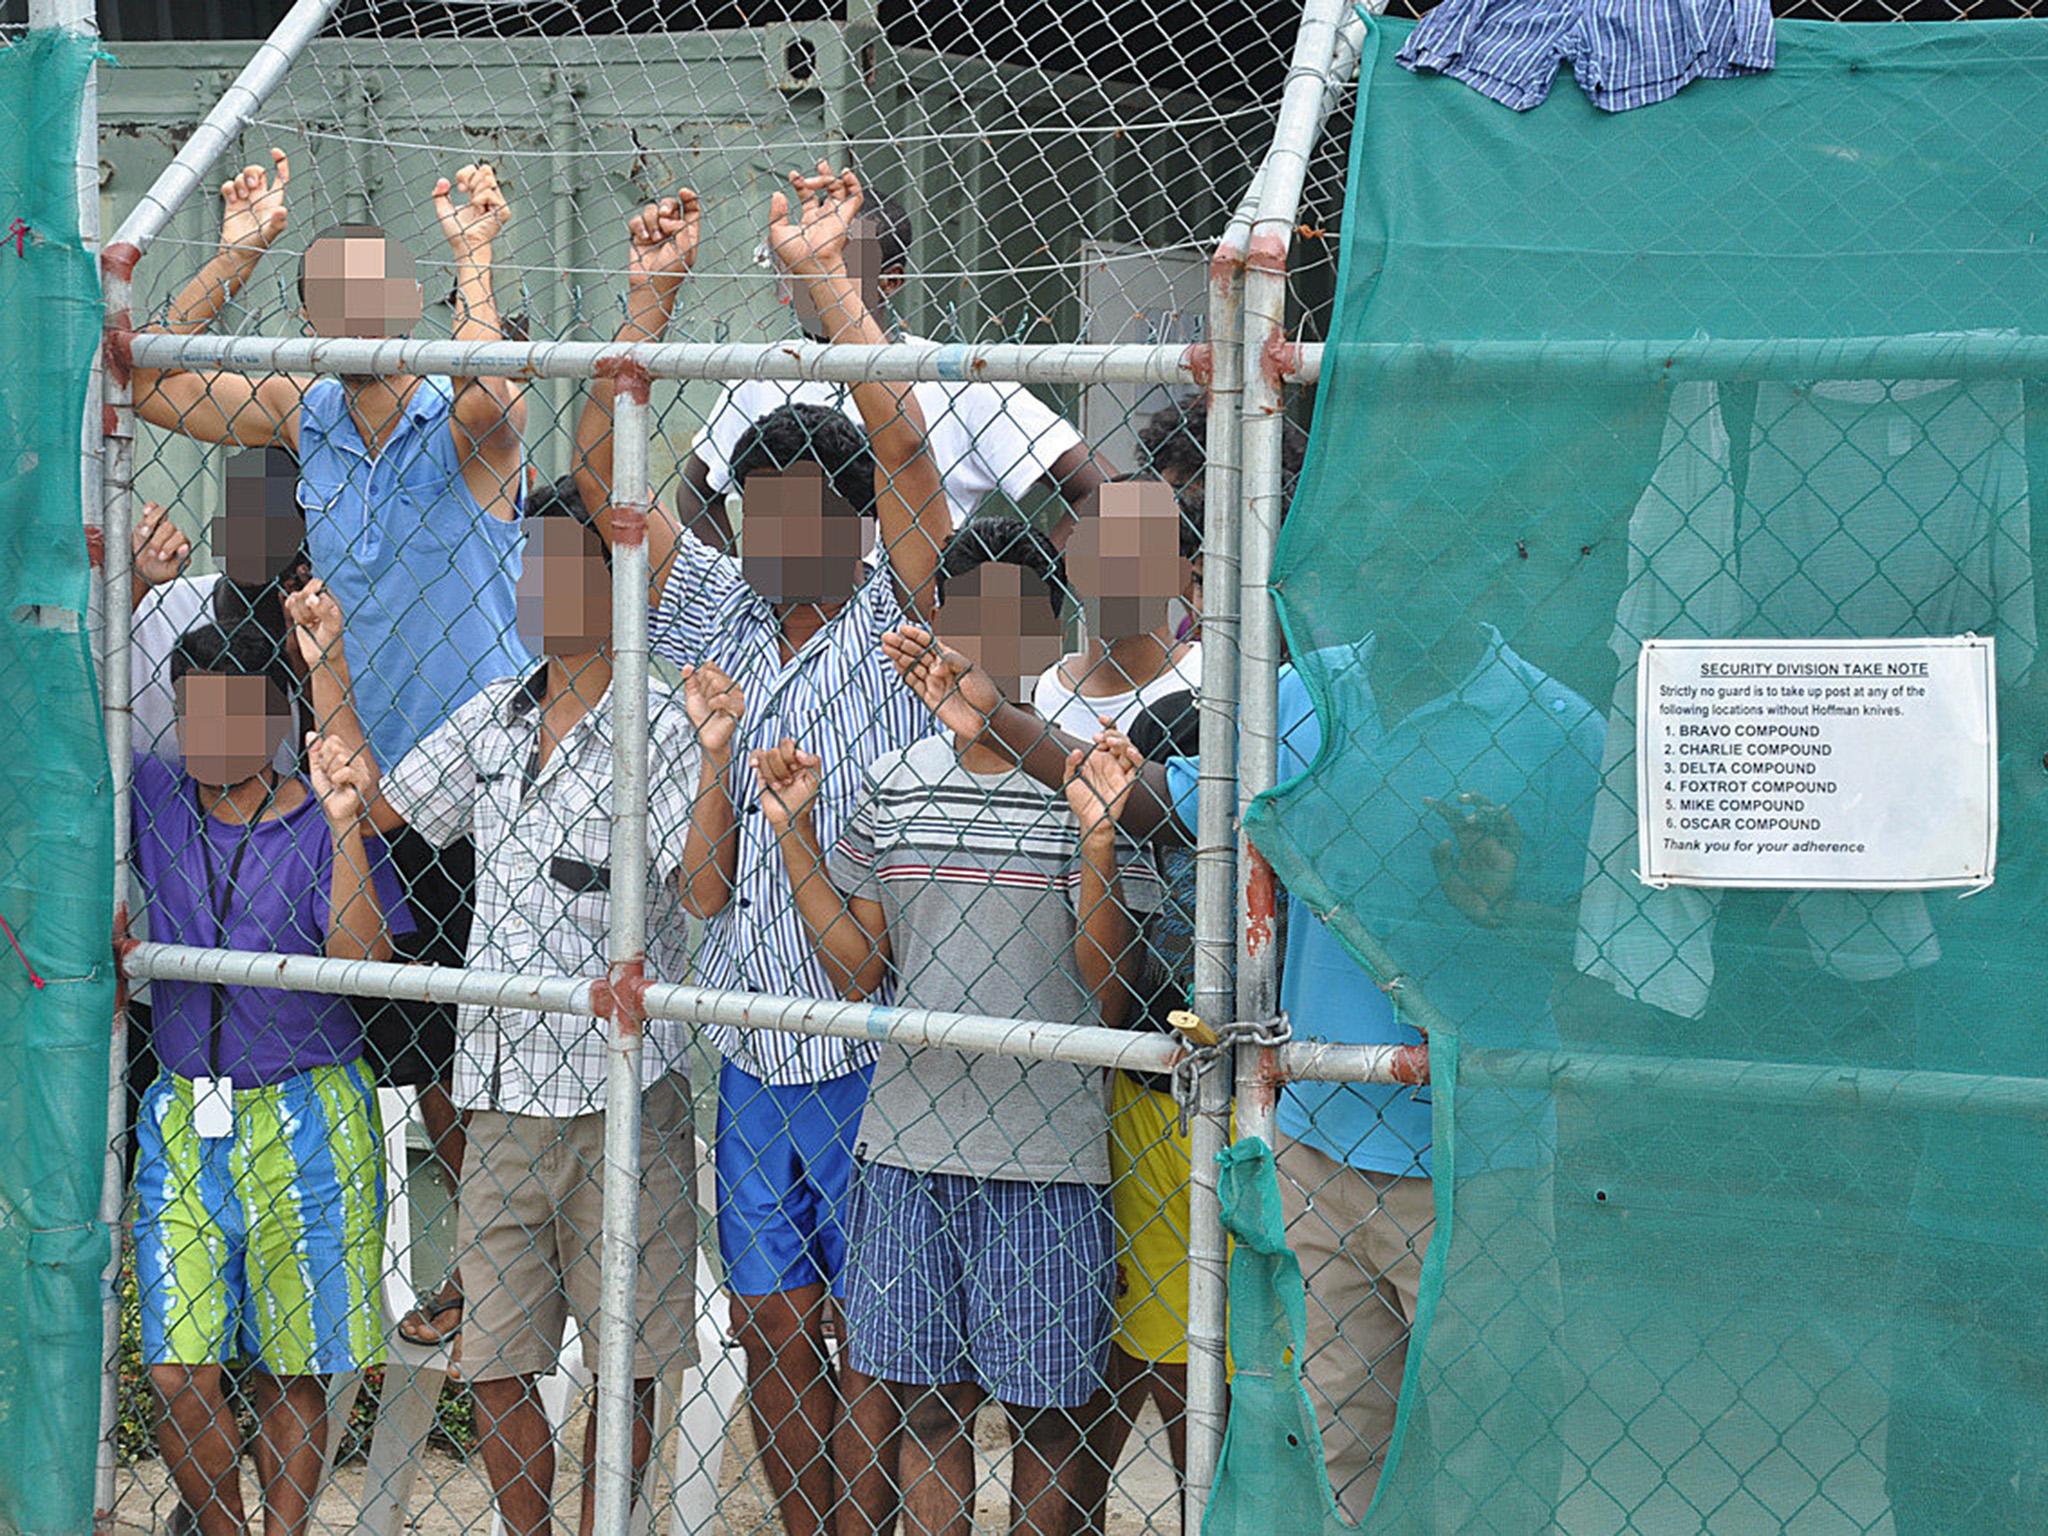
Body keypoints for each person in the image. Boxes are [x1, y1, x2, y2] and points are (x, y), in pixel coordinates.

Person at [573, 171, 950, 1536]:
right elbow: (604, 490)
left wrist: (831, 286)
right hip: (750, 1052)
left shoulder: (905, 622)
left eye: (813, 510)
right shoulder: (725, 612)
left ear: (852, 527)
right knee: (774, 1324)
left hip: (871, 1052)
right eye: (764, 507)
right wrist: (648, 306)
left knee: (877, 1342)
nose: (786, 532)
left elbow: (905, 454)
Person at [131, 151, 536, 1350]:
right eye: (332, 294)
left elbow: (496, 403)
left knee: (487, 1047)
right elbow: (148, 371)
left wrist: (475, 256)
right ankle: (423, 1268)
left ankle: (492, 1271)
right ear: (311, 318)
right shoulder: (303, 408)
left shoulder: (455, 413)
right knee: (397, 1046)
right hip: (357, 784)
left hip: (471, 785)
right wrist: (241, 245)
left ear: (406, 300)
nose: (359, 312)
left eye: (379, 290)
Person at [292, 496, 714, 1535]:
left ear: (610, 586)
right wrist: (326, 665)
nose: (532, 588)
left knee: (626, 1361)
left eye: (554, 568)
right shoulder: (496, 711)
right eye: (524, 567)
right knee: (496, 1359)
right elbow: (388, 806)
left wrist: (713, 760)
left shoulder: (661, 726)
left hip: (623, 1095)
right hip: (500, 1097)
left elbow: (702, 891)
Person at [757, 527, 1161, 1536]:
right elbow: (857, 967)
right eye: (961, 616)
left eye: (1008, 620)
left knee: (1050, 1418)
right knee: (927, 1409)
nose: (980, 640)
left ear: (1043, 635)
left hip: (1047, 1158)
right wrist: (793, 830)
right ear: (934, 629)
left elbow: (1108, 989)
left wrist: (1100, 841)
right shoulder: (894, 779)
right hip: (906, 1147)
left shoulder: (1085, 776)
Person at [131, 618, 407, 1536]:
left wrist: (346, 831)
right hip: (183, 1112)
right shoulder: (153, 792)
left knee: (295, 1361)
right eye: (190, 711)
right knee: (178, 1367)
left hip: (310, 1111)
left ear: (275, 715)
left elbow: (363, 958)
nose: (206, 732)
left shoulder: (323, 808)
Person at [669, 167, 1109, 548]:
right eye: (797, 262)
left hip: (912, 619)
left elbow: (1102, 493)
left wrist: (1030, 583)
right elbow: (697, 491)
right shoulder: (767, 373)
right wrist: (734, 596)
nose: (811, 278)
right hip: (801, 622)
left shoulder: (954, 379)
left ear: (891, 280)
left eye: (834, 262)